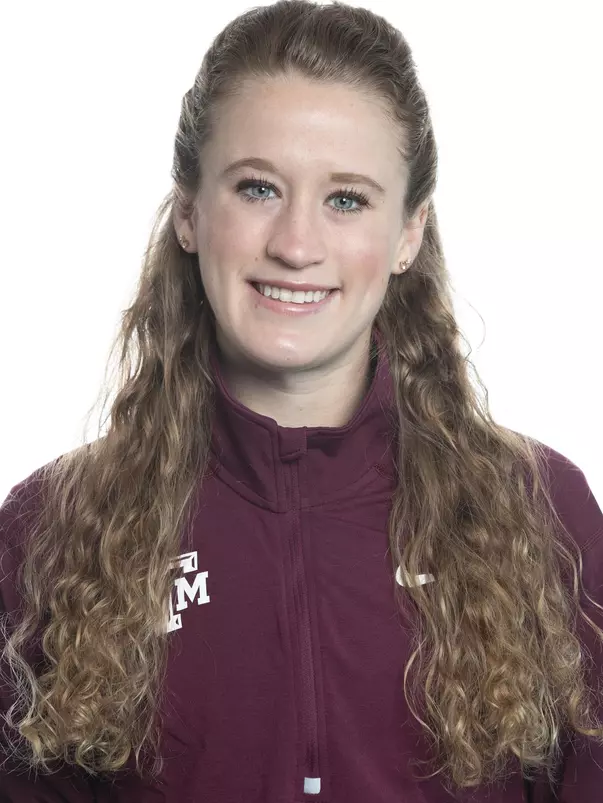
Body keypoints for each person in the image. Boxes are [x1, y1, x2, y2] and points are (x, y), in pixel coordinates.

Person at [1, 1, 602, 801]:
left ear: (408, 234)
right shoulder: (51, 530)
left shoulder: (541, 512)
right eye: (257, 188)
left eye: (346, 199)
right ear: (189, 213)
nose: (294, 243)